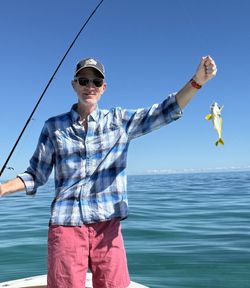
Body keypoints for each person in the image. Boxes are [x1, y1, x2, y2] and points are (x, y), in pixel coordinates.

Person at [0, 56, 217, 288]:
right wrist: (3, 188)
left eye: (96, 81)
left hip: (107, 226)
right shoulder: (53, 127)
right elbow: (36, 174)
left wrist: (197, 82)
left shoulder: (119, 121)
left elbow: (165, 111)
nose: (89, 86)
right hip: (66, 224)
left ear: (104, 88)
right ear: (74, 85)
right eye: (83, 81)